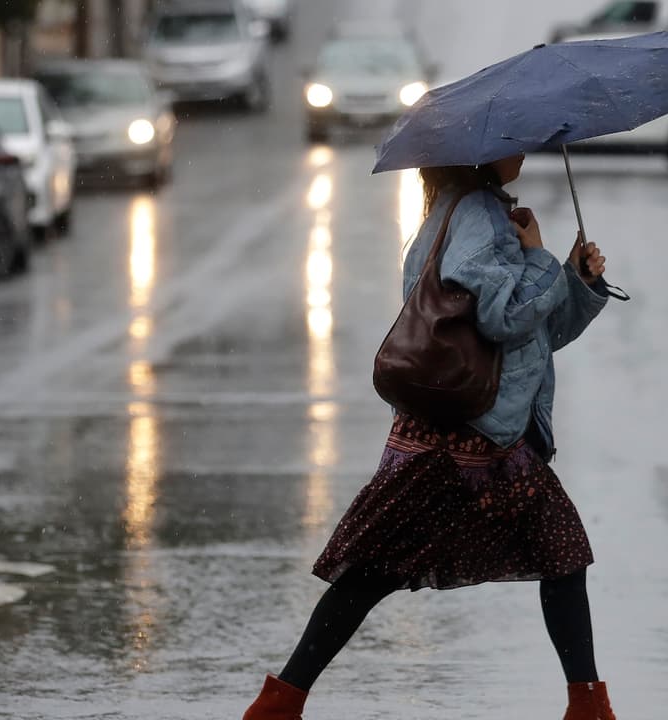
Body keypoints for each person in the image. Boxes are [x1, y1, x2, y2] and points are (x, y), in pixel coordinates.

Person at [242, 153, 617, 720]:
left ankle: (282, 701)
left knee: (381, 570)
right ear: (486, 154)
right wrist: (540, 258)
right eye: (513, 143)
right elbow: (502, 319)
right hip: (469, 437)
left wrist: (576, 282)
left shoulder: (461, 213)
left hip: (461, 429)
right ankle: (588, 709)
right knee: (545, 554)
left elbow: (528, 339)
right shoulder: (478, 217)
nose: (522, 152)